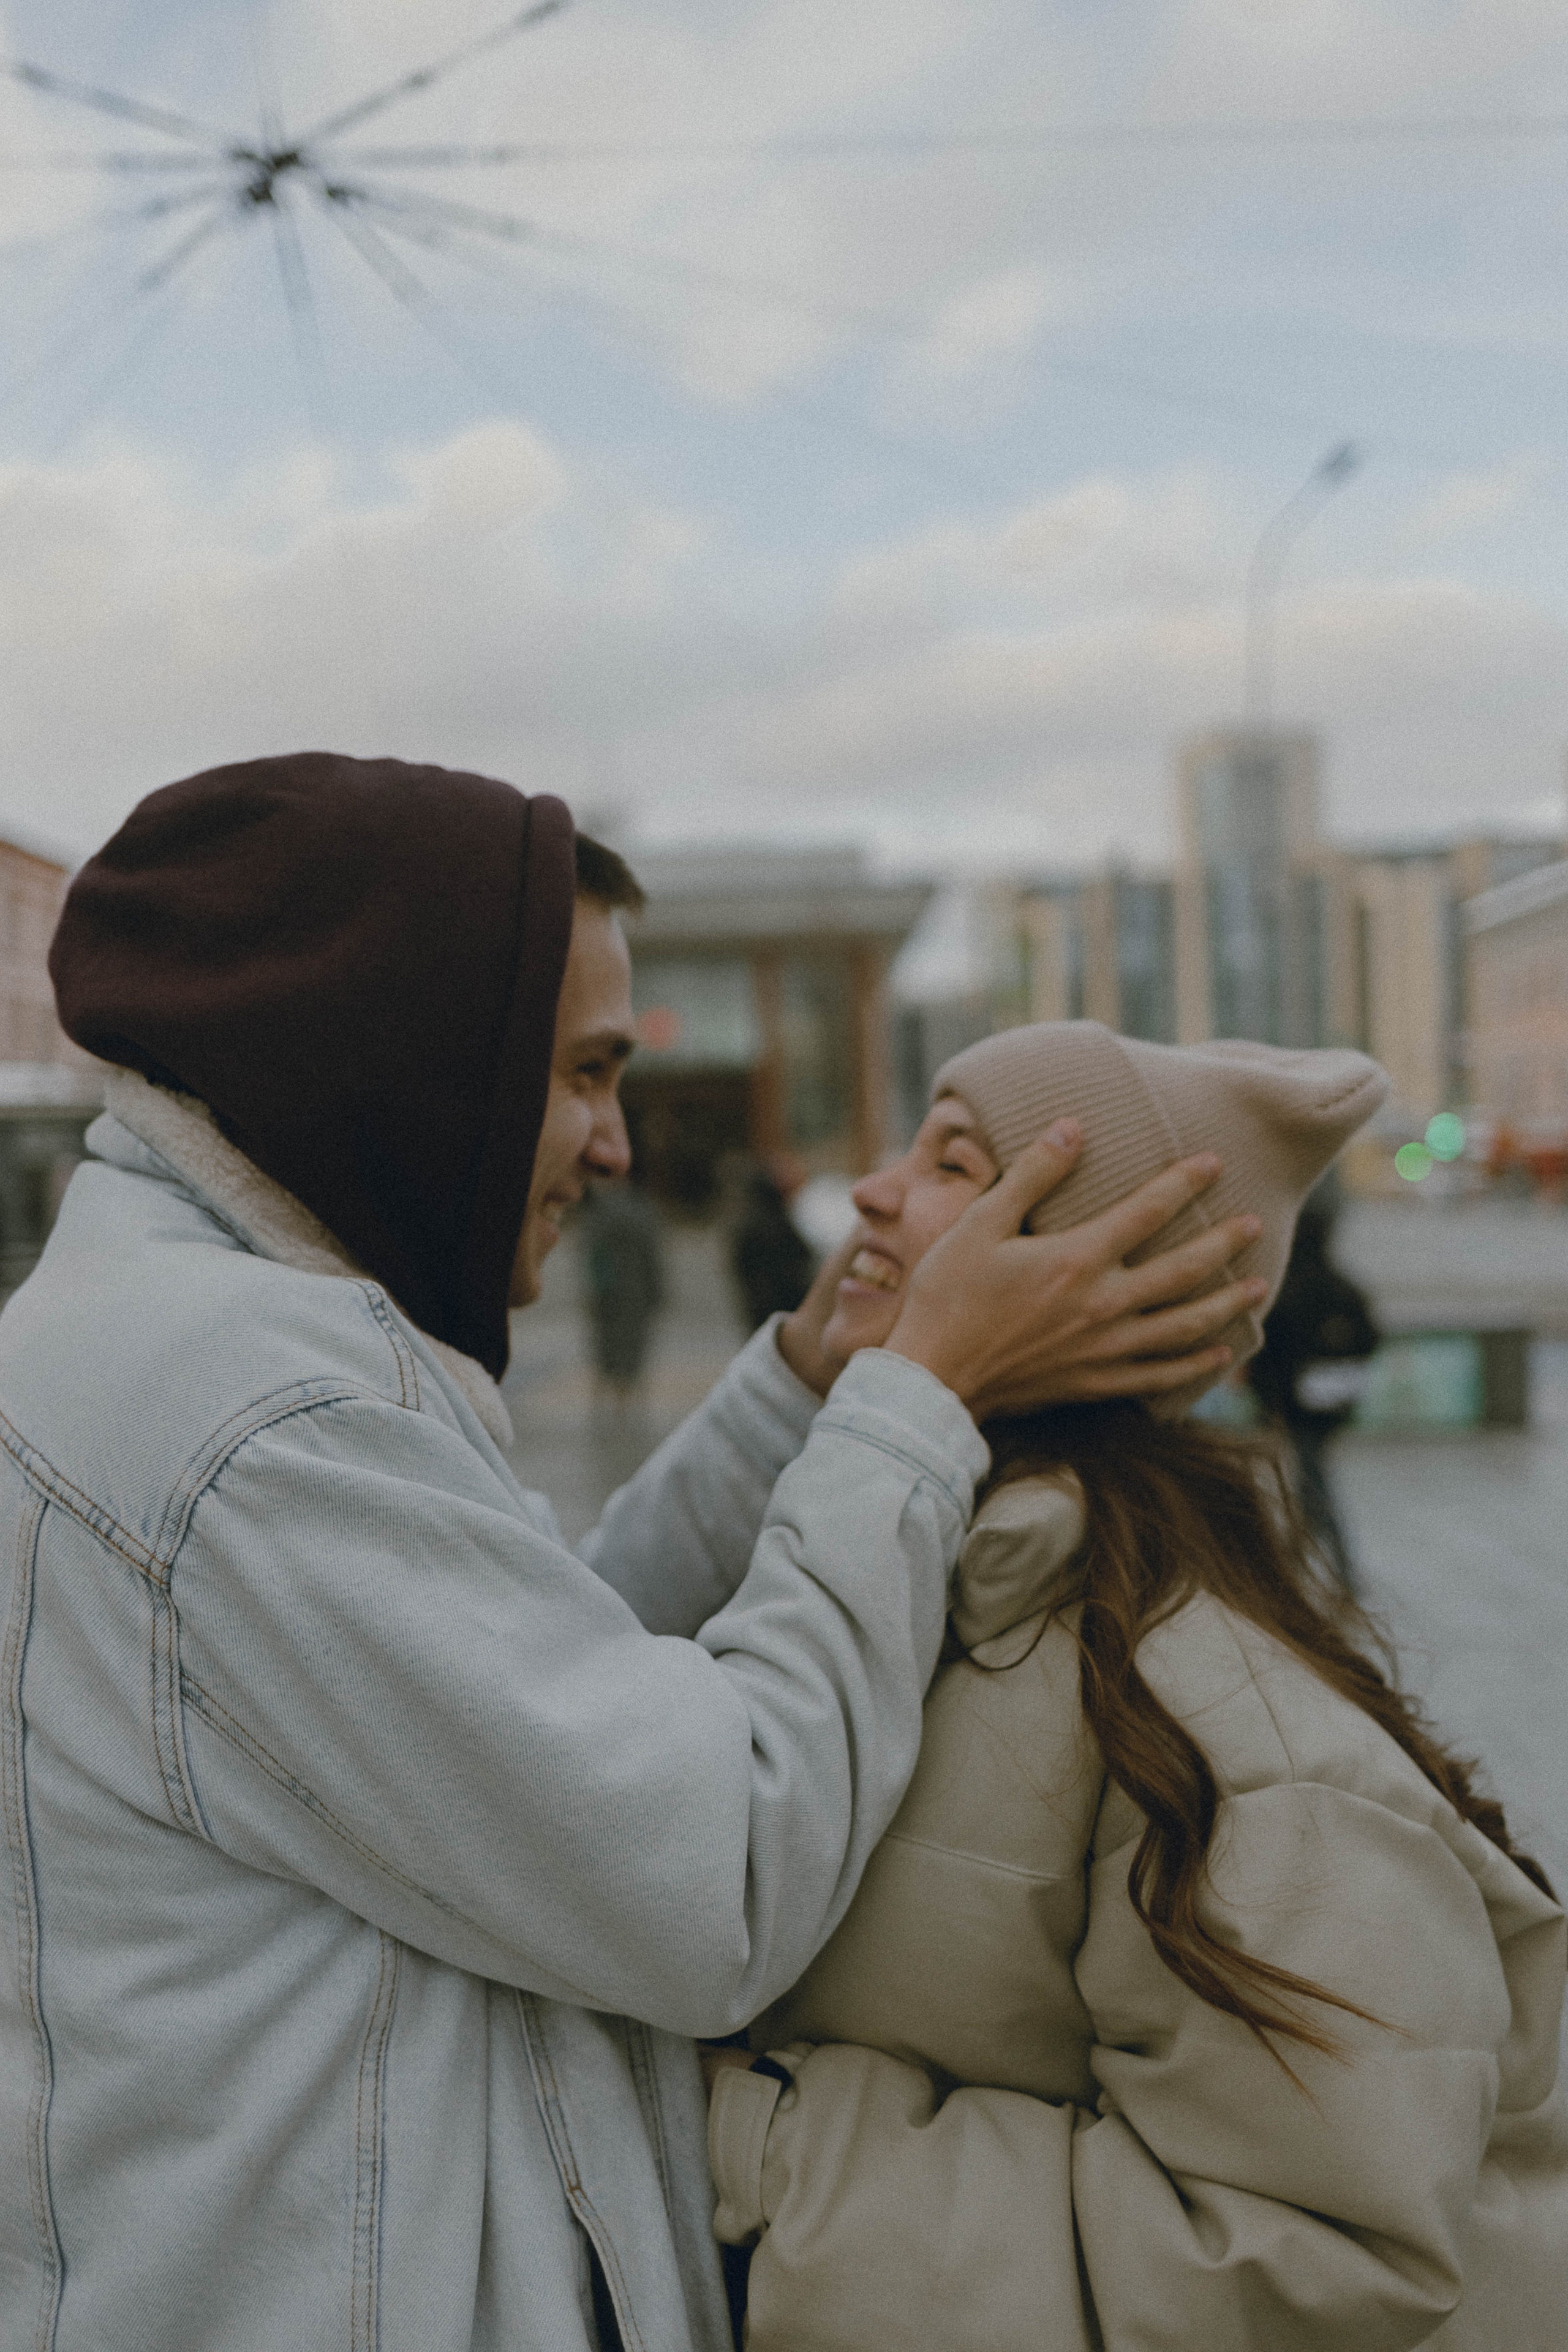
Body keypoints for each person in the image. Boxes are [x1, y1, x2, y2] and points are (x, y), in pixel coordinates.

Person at [1, 756, 1261, 2352]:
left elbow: (527, 1700)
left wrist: (807, 1383)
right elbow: (707, 1875)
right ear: (411, 1063)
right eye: (587, 1073)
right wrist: (917, 1404)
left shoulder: (187, 1338)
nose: (612, 1146)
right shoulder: (258, 1427)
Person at [708, 1020, 1568, 2352]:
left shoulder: (1231, 1733)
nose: (872, 1191)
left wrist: (748, 2150)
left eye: (950, 1161)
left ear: (1098, 1274)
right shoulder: (902, 1606)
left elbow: (1311, 2259)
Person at [1246, 1174, 1380, 1589]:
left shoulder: (1286, 1291)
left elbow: (1268, 1353)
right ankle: (1304, 1560)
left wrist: (1264, 1400)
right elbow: (1371, 1338)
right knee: (1310, 1475)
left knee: (1312, 1480)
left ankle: (1331, 1567)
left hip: (1291, 1404)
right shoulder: (1343, 1288)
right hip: (1335, 1403)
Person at [578, 1170, 666, 1400]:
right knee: (632, 1353)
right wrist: (657, 1292)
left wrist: (597, 1291)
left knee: (606, 1352)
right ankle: (627, 1405)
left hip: (610, 1294)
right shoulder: (642, 1210)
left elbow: (596, 1257)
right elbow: (652, 1257)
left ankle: (605, 1405)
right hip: (637, 1293)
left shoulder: (599, 1214)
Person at [730, 1161, 816, 1331]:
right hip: (785, 1295)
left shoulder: (747, 1224)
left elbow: (740, 1262)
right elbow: (803, 1255)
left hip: (760, 1299)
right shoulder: (781, 1223)